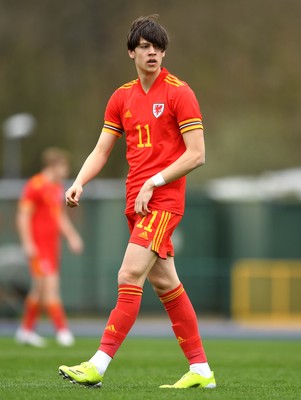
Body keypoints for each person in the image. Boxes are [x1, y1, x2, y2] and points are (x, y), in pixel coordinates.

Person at [59, 15, 216, 389]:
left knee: (129, 275)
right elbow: (101, 149)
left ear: (164, 53)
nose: (152, 52)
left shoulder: (180, 92)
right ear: (131, 52)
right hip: (136, 202)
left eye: (158, 47)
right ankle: (201, 371)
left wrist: (155, 181)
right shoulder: (121, 96)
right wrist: (79, 181)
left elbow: (197, 154)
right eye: (144, 46)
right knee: (166, 285)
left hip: (163, 201)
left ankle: (98, 363)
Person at [15, 147, 84, 347]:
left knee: (38, 290)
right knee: (50, 287)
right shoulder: (35, 185)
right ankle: (62, 330)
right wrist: (28, 243)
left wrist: (72, 236)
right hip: (38, 247)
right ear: (54, 165)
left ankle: (25, 330)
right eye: (64, 166)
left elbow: (59, 217)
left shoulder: (56, 187)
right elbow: (23, 216)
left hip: (52, 247)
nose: (67, 170)